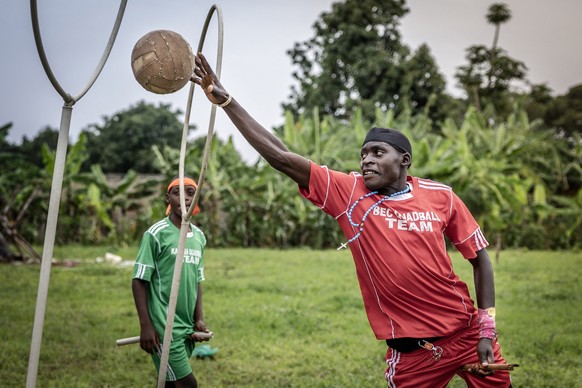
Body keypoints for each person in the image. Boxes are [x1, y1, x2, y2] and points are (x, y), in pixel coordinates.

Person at [193, 53, 513, 387]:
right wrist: (227, 101)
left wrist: (486, 329)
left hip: (467, 334)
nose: (367, 160)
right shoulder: (349, 193)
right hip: (414, 352)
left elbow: (480, 259)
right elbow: (280, 157)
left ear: (404, 160)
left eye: (377, 153)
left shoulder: (441, 196)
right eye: (363, 154)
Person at [132, 175, 210, 388]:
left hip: (185, 326)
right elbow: (139, 280)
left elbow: (196, 281)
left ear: (197, 198)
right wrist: (146, 326)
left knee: (170, 384)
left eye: (191, 193)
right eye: (177, 193)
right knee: (187, 384)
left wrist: (199, 319)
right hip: (163, 328)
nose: (184, 198)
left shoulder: (199, 237)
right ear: (168, 198)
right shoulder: (156, 234)